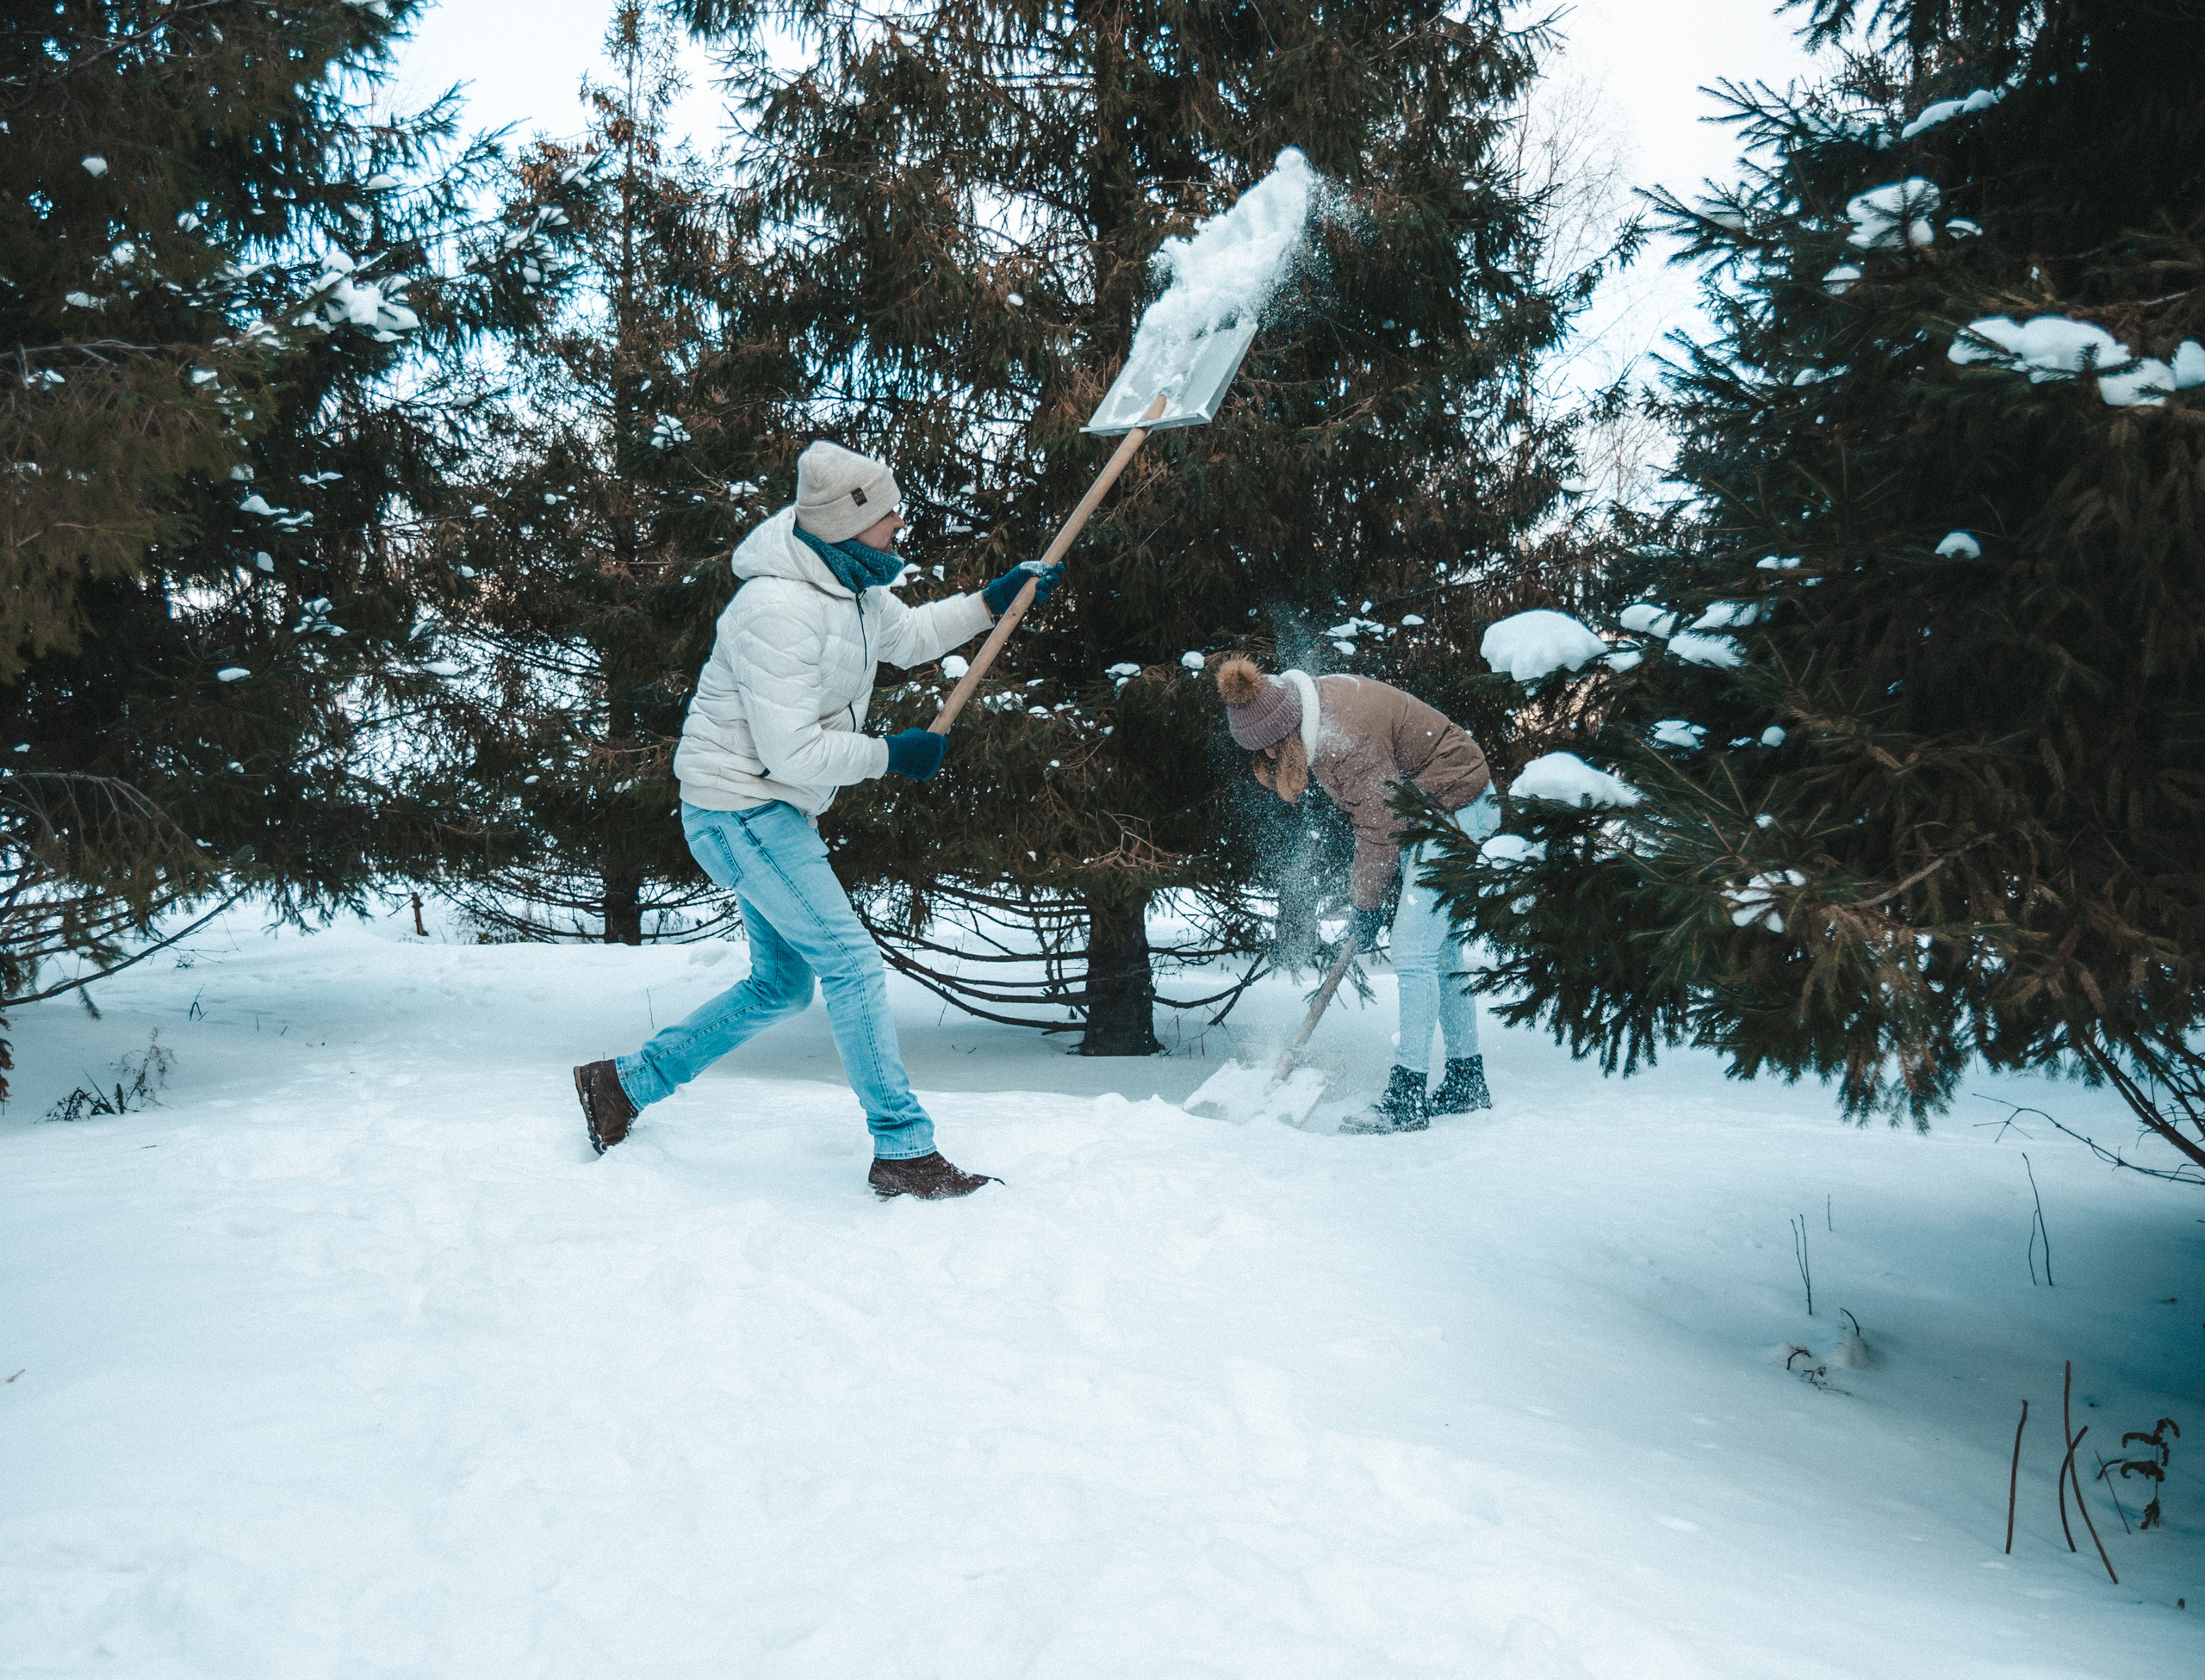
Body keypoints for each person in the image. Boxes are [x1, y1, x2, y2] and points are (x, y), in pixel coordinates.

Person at [573, 440, 1059, 1199]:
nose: (902, 522)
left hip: (768, 808)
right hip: (738, 808)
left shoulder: (850, 583)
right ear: (846, 521)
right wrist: (891, 755)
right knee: (854, 965)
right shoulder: (777, 608)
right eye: (888, 512)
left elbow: (912, 638)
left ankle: (623, 1085)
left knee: (780, 986)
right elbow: (792, 750)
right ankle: (902, 1147)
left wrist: (993, 601)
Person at [1215, 655, 1500, 1133]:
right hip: (1435, 805)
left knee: (1412, 949)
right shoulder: (1310, 715)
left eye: (1266, 752)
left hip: (1457, 802)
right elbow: (1374, 817)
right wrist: (1367, 897)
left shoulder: (1342, 739)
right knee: (1441, 949)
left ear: (1282, 735)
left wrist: (1364, 905)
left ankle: (1406, 1098)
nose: (1264, 762)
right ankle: (1467, 1079)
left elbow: (1379, 825)